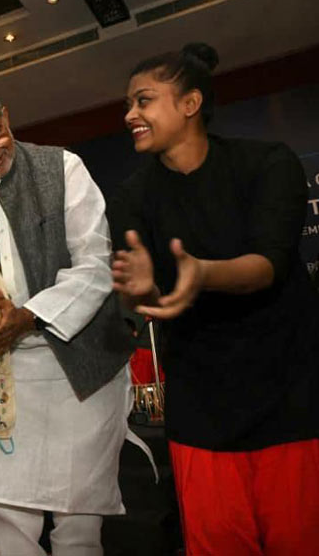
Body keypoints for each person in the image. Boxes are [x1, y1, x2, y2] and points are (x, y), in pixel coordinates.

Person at [110, 42, 319, 555]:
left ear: (190, 103)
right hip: (201, 409)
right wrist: (141, 295)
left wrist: (200, 273)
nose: (129, 114)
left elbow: (267, 266)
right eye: (129, 104)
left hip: (287, 398)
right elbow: (151, 296)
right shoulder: (134, 197)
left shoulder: (267, 163)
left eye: (143, 100)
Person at [0, 81, 135, 555]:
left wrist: (31, 315)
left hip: (82, 369)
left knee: (78, 518)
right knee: (6, 510)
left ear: (6, 115)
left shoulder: (63, 167)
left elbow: (93, 262)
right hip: (11, 373)